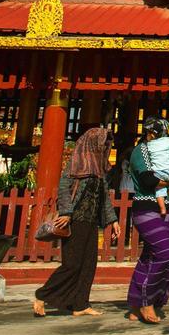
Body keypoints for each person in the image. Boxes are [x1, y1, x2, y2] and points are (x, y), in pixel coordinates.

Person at [33, 127, 120, 317]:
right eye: (104, 144)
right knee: (72, 264)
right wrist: (66, 212)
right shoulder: (77, 163)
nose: (106, 147)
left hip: (91, 221)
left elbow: (104, 198)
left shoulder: (100, 168)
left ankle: (80, 304)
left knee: (89, 263)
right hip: (75, 219)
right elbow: (64, 187)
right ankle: (42, 295)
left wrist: (113, 220)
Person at [125, 118, 169, 323]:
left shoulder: (166, 149)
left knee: (150, 256)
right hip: (146, 207)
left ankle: (134, 304)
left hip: (166, 208)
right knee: (163, 251)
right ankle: (146, 301)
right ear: (150, 134)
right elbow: (149, 180)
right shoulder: (140, 152)